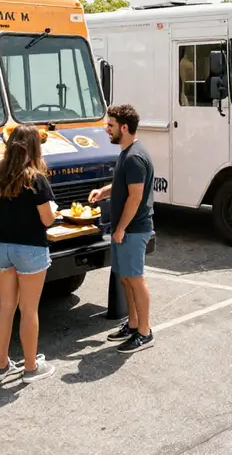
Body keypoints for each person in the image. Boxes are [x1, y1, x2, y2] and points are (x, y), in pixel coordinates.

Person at [0, 124, 57, 383]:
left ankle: (1, 366)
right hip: (31, 248)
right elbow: (47, 220)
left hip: (1, 246)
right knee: (29, 310)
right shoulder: (36, 179)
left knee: (5, 307)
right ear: (35, 148)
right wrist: (54, 211)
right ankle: (30, 368)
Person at [89, 104, 155, 353]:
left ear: (124, 127)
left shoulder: (135, 157)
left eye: (111, 125)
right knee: (126, 279)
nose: (106, 129)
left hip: (133, 229)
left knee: (136, 280)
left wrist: (121, 229)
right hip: (124, 229)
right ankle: (134, 324)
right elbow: (122, 185)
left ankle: (145, 332)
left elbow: (135, 198)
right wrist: (104, 191)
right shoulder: (127, 153)